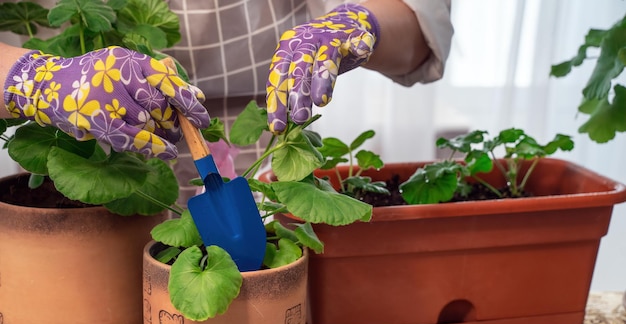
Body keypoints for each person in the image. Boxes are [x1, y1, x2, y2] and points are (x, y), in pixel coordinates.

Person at [1, 0, 453, 199]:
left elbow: (416, 25)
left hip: (260, 149)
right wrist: (34, 79)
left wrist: (360, 21)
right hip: (73, 158)